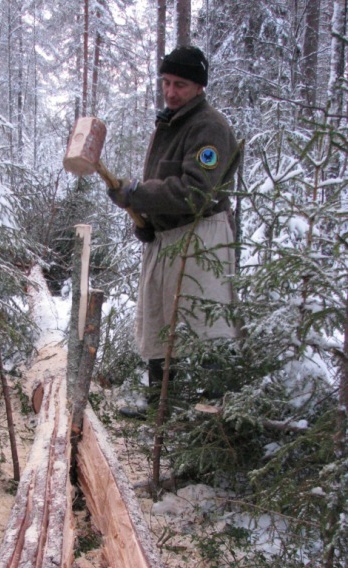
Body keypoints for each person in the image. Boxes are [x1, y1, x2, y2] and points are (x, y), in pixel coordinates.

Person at [107, 45, 241, 412]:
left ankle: (218, 423)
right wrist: (148, 222)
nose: (170, 91)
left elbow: (196, 192)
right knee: (160, 322)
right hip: (169, 238)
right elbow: (166, 183)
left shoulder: (208, 126)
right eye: (165, 82)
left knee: (205, 324)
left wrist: (138, 194)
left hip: (201, 237)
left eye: (179, 84)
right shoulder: (172, 122)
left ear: (199, 87)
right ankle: (164, 408)